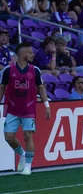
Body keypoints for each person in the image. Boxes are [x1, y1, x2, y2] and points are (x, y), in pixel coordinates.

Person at [0, 42, 51, 175]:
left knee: (28, 135)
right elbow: (1, 88)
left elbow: (41, 88)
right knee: (9, 137)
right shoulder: (8, 70)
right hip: (12, 109)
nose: (32, 55)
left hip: (28, 110)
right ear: (23, 55)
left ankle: (28, 166)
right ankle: (22, 154)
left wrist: (47, 106)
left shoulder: (35, 70)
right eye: (30, 52)